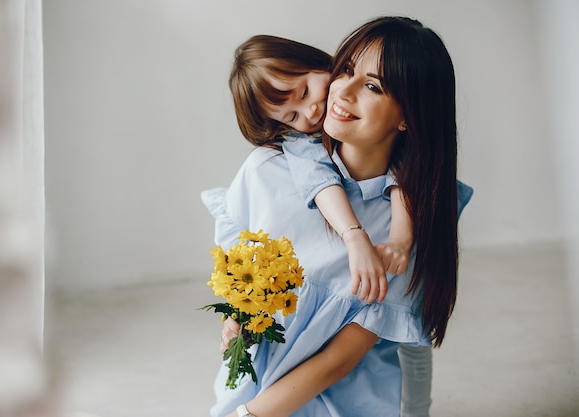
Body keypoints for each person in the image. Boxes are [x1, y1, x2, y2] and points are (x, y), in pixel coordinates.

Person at [202, 16, 473, 417]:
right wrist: (236, 317)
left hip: (339, 400)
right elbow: (237, 263)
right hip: (259, 379)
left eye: (373, 86)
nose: (339, 91)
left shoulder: (409, 225)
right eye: (346, 69)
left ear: (408, 116)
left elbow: (341, 359)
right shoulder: (267, 171)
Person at [229, 34, 414, 305]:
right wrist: (354, 237)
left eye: (304, 93)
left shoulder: (367, 106)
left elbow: (406, 170)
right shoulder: (302, 140)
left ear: (316, 62)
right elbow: (319, 180)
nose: (311, 112)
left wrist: (400, 239)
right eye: (293, 117)